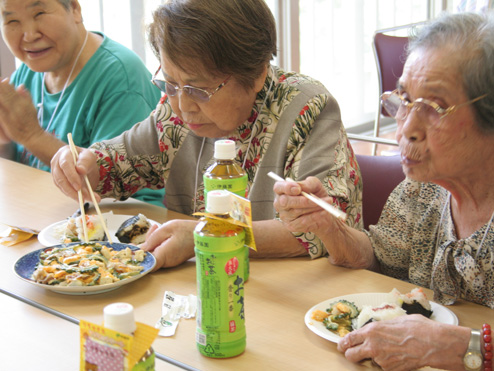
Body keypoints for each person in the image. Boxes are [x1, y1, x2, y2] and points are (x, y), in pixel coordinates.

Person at [50, 0, 363, 268]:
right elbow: (119, 162)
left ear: (256, 75)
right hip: (207, 283)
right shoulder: (174, 111)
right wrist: (85, 164)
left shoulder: (307, 109)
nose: (184, 106)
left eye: (199, 89)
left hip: (298, 293)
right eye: (170, 83)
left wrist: (206, 233)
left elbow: (321, 227)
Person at [273, 11, 494, 371]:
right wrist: (330, 228)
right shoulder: (420, 191)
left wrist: (460, 348)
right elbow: (380, 260)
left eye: (434, 107)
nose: (406, 127)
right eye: (404, 100)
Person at [0, 0, 164, 206]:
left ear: (75, 9)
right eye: (12, 20)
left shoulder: (121, 79)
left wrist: (32, 136)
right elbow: (17, 168)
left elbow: (126, 197)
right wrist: (5, 140)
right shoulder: (29, 70)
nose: (29, 35)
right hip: (38, 216)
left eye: (39, 14)